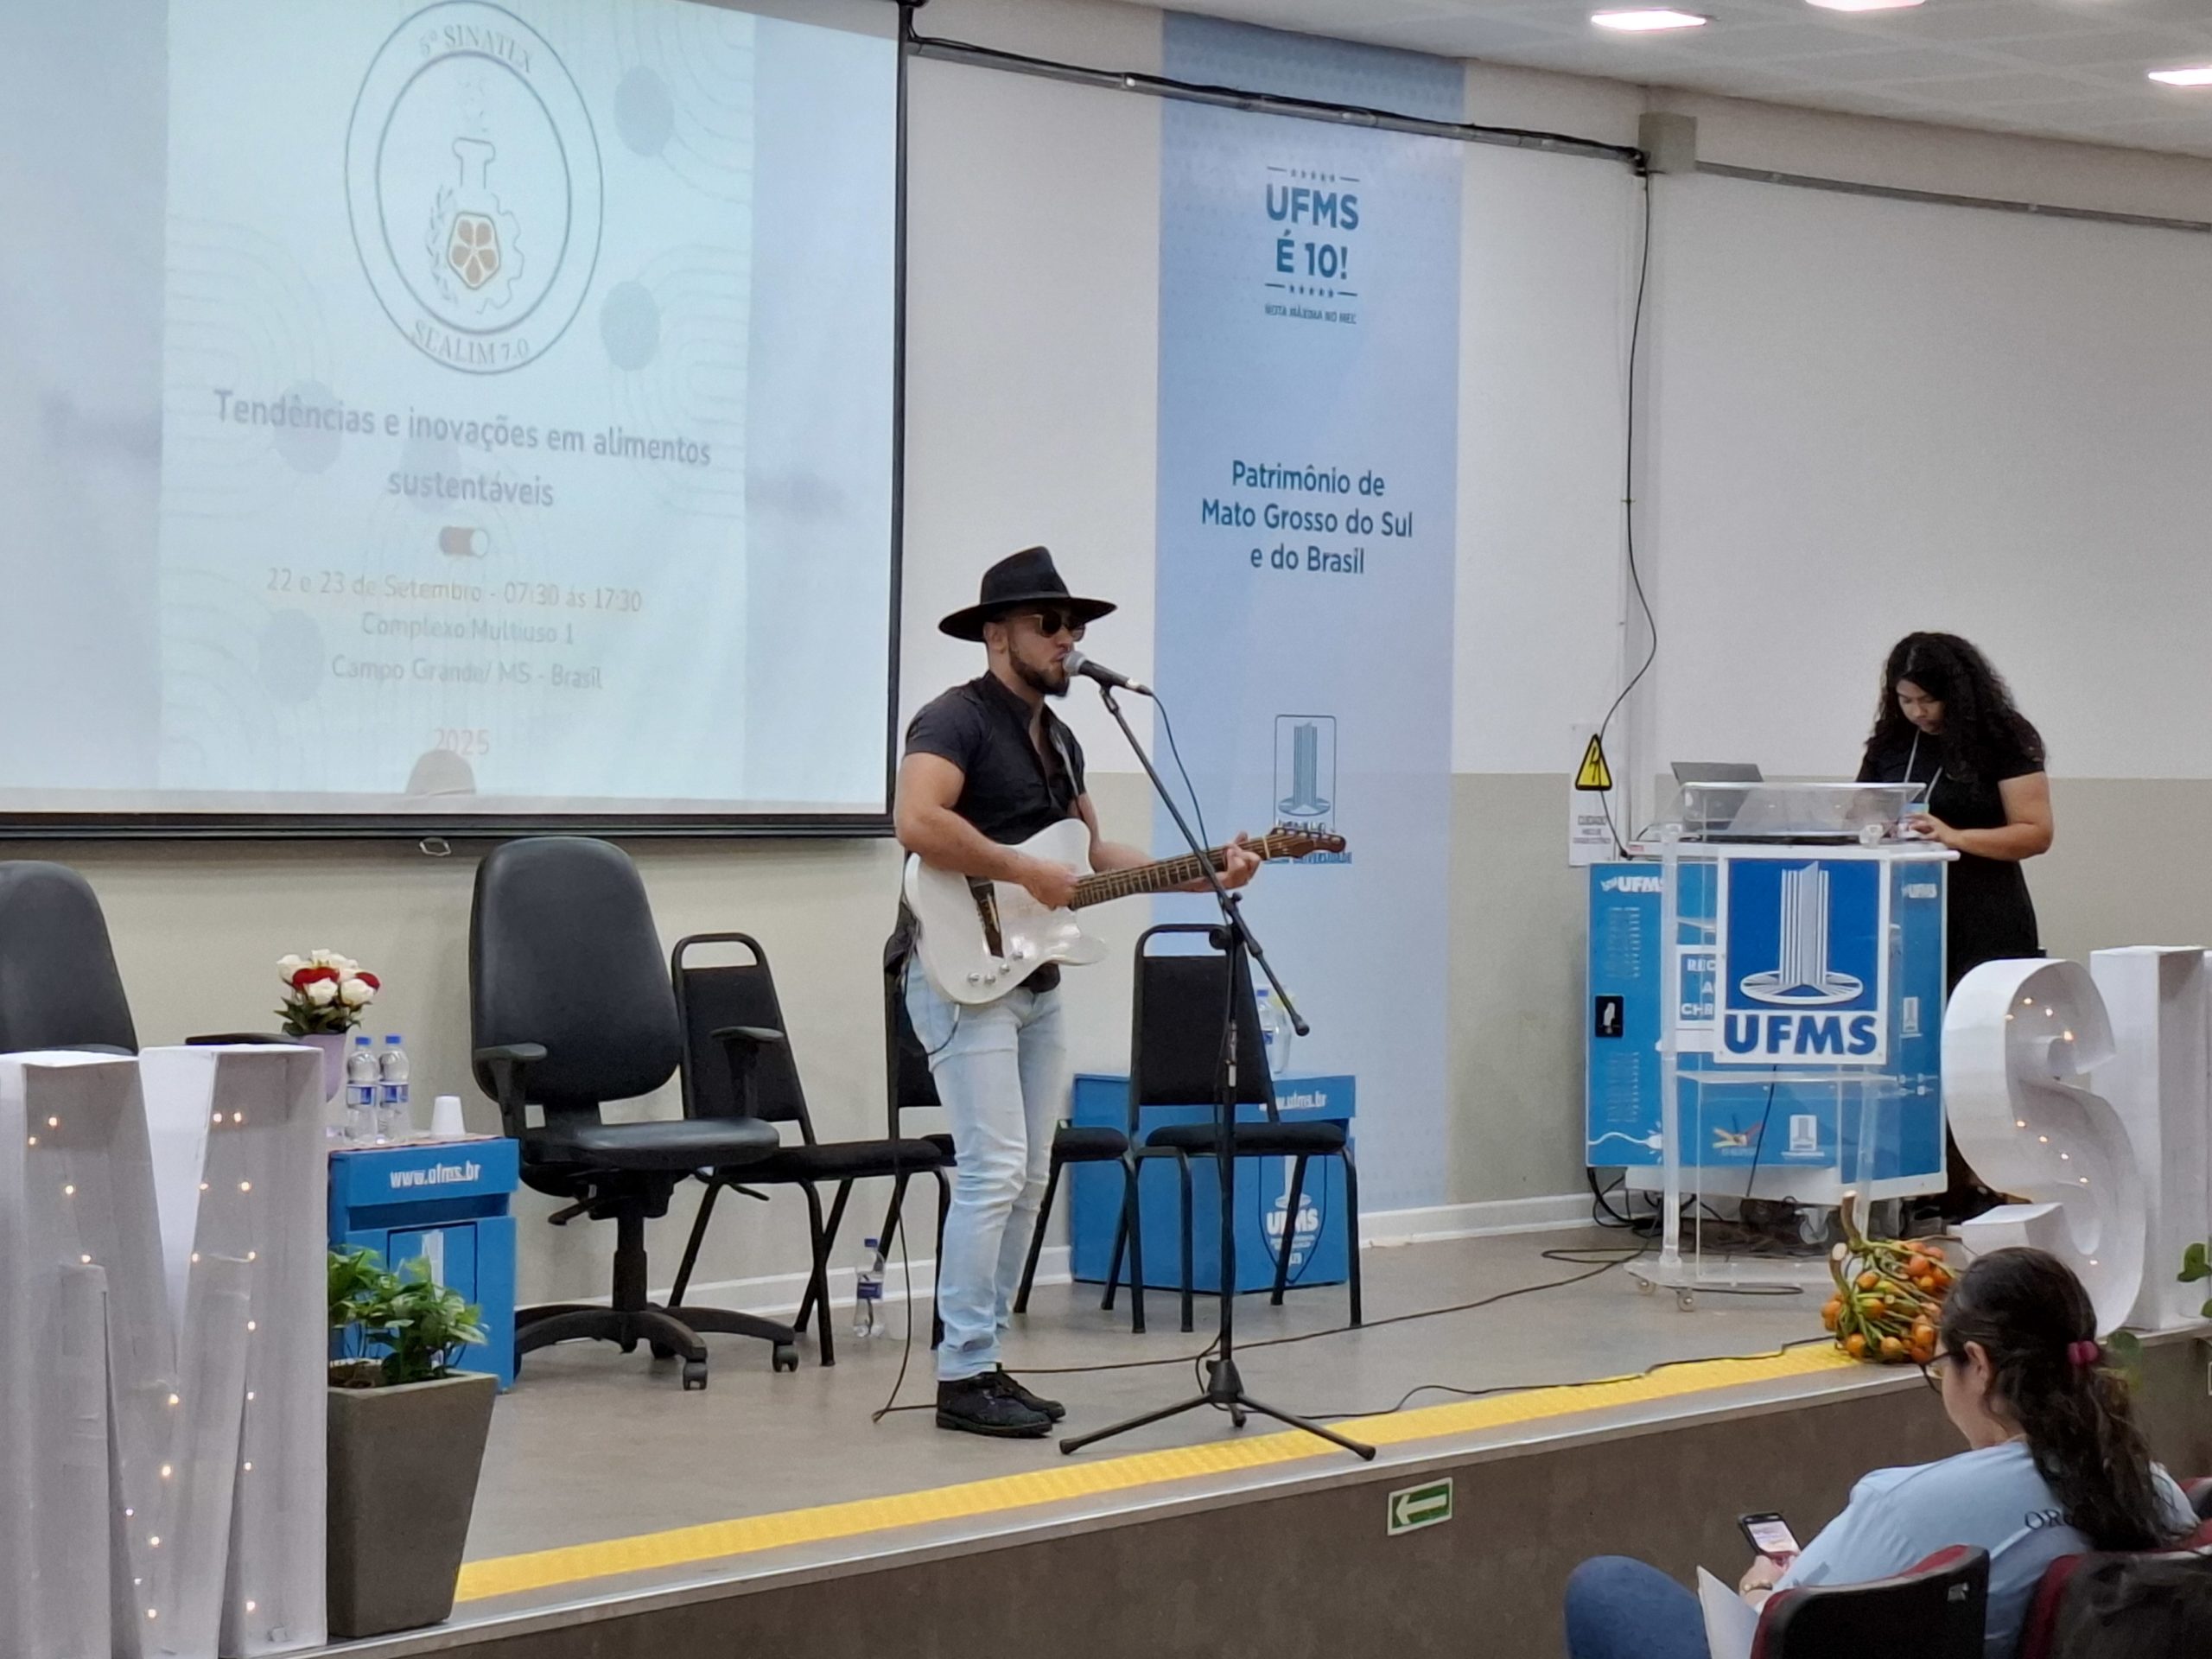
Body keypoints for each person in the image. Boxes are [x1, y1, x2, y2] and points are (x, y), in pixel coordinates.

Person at [890, 545, 1258, 1438]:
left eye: (1075, 624)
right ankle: (960, 1374)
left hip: (1036, 973)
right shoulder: (955, 719)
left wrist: (1203, 873)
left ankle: (983, 1359)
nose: (1068, 638)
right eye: (1049, 623)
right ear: (996, 635)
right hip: (960, 970)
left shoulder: (1061, 739)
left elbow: (1092, 858)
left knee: (1027, 1176)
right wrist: (1021, 869)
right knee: (992, 1171)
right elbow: (917, 820)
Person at [1562, 1249, 2196, 1659]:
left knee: (1607, 1585)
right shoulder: (2158, 1496)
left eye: (1940, 1364)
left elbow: (1782, 1629)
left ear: (1978, 1365)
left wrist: (1760, 1588)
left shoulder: (1903, 1506)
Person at [1857, 632, 2054, 1213]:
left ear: (1959, 693)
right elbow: (1861, 811)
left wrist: (1954, 836)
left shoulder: (2004, 739)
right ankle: (1924, 1178)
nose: (1918, 712)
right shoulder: (1892, 744)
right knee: (1914, 1045)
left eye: (1929, 700)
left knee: (1977, 1049)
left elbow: (2035, 833)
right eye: (1906, 700)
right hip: (1906, 916)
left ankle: (1987, 1178)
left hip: (1984, 913)